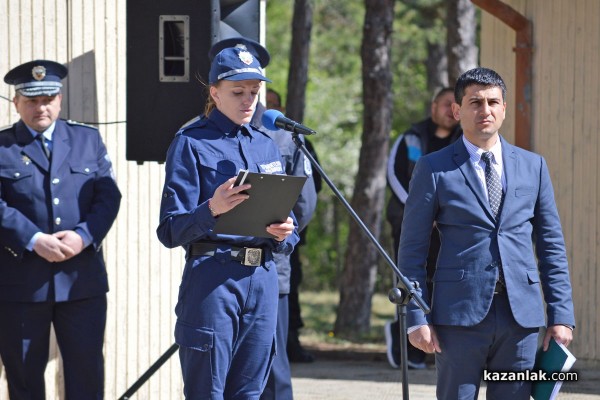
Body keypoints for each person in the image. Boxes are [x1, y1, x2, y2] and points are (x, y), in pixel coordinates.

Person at [398, 67, 575, 399]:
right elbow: (411, 251)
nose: (486, 110)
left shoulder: (533, 166)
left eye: (494, 102)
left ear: (504, 108)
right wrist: (415, 316)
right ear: (457, 110)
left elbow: (551, 246)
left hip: (520, 318)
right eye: (475, 102)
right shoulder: (433, 168)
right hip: (458, 317)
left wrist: (561, 315)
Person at [156, 39, 300, 399]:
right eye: (238, 91)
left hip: (262, 278)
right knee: (208, 391)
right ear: (215, 92)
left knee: (251, 392)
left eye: (254, 91)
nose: (248, 100)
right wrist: (212, 209)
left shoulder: (267, 144)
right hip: (214, 279)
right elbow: (170, 229)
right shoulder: (190, 143)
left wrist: (286, 232)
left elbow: (288, 222)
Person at [0, 60, 122, 399]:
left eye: (48, 98)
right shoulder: (2, 146)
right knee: (23, 376)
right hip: (20, 283)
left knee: (86, 374)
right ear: (16, 103)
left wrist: (84, 236)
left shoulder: (87, 140)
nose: (41, 107)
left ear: (59, 99)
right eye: (32, 100)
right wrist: (33, 239)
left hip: (82, 281)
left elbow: (107, 197)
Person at [384, 87, 461, 369]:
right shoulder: (411, 137)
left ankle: (439, 347)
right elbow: (393, 173)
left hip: (447, 226)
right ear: (433, 107)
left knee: (439, 279)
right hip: (408, 220)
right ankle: (404, 342)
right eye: (445, 104)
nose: (449, 110)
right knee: (409, 280)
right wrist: (420, 210)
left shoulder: (465, 141)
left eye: (455, 105)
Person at [266, 88, 321, 364]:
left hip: (283, 243)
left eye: (273, 104)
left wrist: (289, 229)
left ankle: (293, 342)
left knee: (289, 295)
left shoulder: (292, 139)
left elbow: (308, 197)